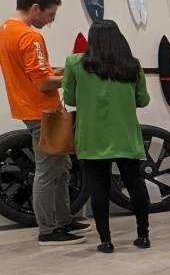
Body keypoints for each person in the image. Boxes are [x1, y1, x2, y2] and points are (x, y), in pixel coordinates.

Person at [0, 0, 87, 245]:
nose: (50, 21)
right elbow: (42, 82)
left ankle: (63, 220)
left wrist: (60, 70)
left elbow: (32, 73)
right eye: (50, 15)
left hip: (30, 109)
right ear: (35, 8)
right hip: (43, 112)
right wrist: (74, 77)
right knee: (48, 170)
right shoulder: (30, 37)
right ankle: (49, 230)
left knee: (62, 166)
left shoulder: (5, 30)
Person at [61, 20, 152, 253]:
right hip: (126, 135)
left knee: (98, 186)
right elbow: (143, 100)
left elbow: (69, 99)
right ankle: (143, 236)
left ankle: (106, 241)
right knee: (135, 184)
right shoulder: (132, 65)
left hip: (92, 136)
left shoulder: (75, 63)